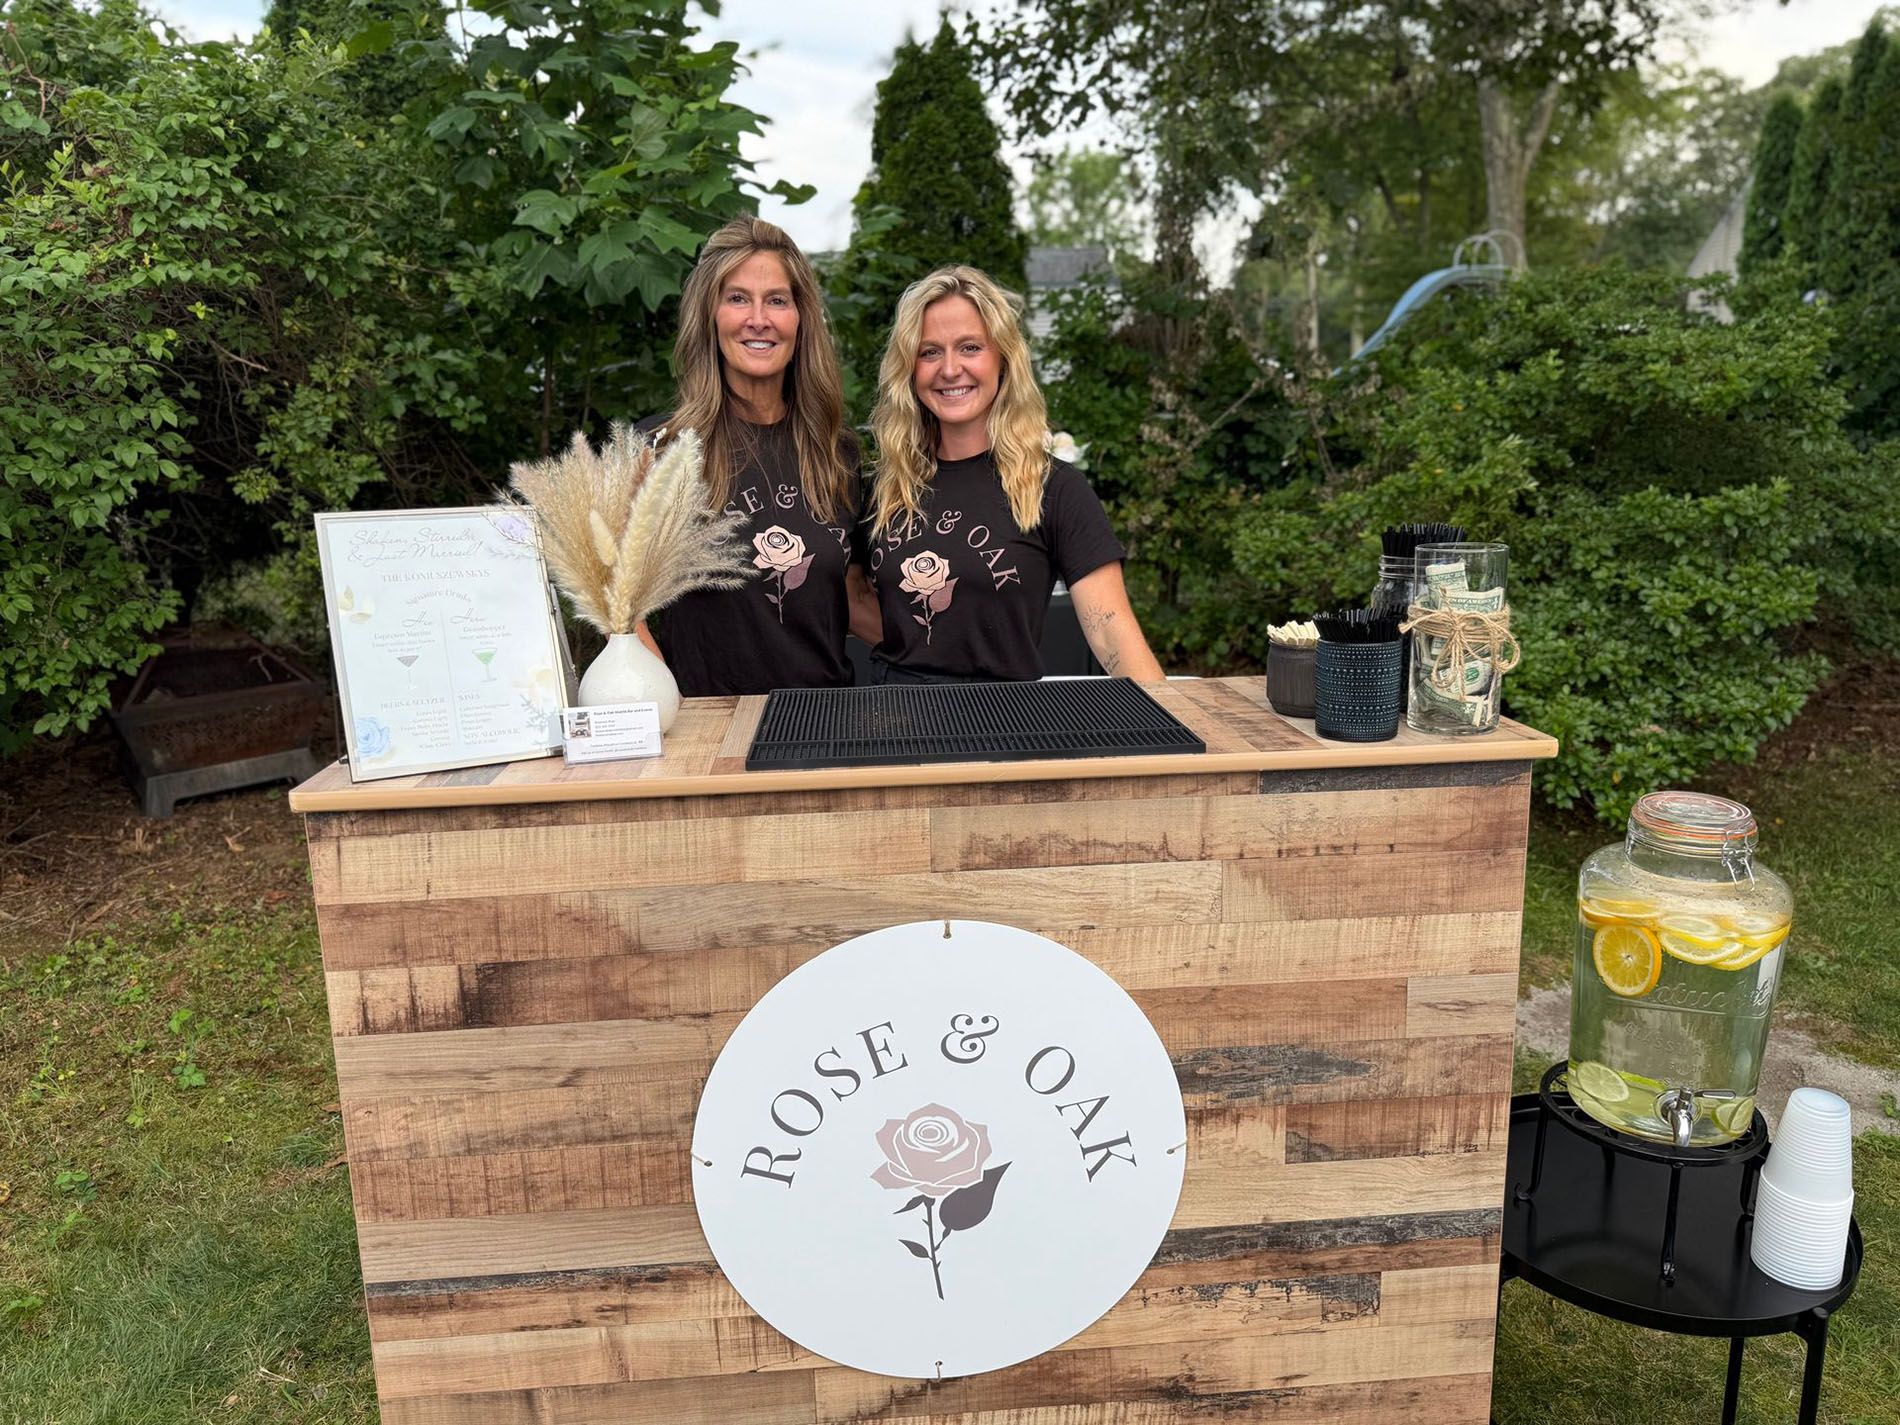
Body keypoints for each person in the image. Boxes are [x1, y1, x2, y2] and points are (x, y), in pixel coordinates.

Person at [860, 265, 1164, 684]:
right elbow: (847, 593)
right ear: (909, 370)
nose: (949, 369)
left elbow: (1111, 632)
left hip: (1006, 724)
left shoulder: (1055, 488)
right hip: (892, 721)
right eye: (929, 352)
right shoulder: (883, 485)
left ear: (1002, 358)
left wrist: (1172, 725)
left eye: (970, 347)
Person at [636, 217, 879, 695]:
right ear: (711, 314)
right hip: (707, 737)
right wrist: (668, 713)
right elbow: (624, 614)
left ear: (800, 317)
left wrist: (960, 640)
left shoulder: (837, 453)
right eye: (737, 298)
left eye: (777, 300)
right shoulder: (665, 451)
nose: (758, 319)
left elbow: (848, 597)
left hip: (826, 727)